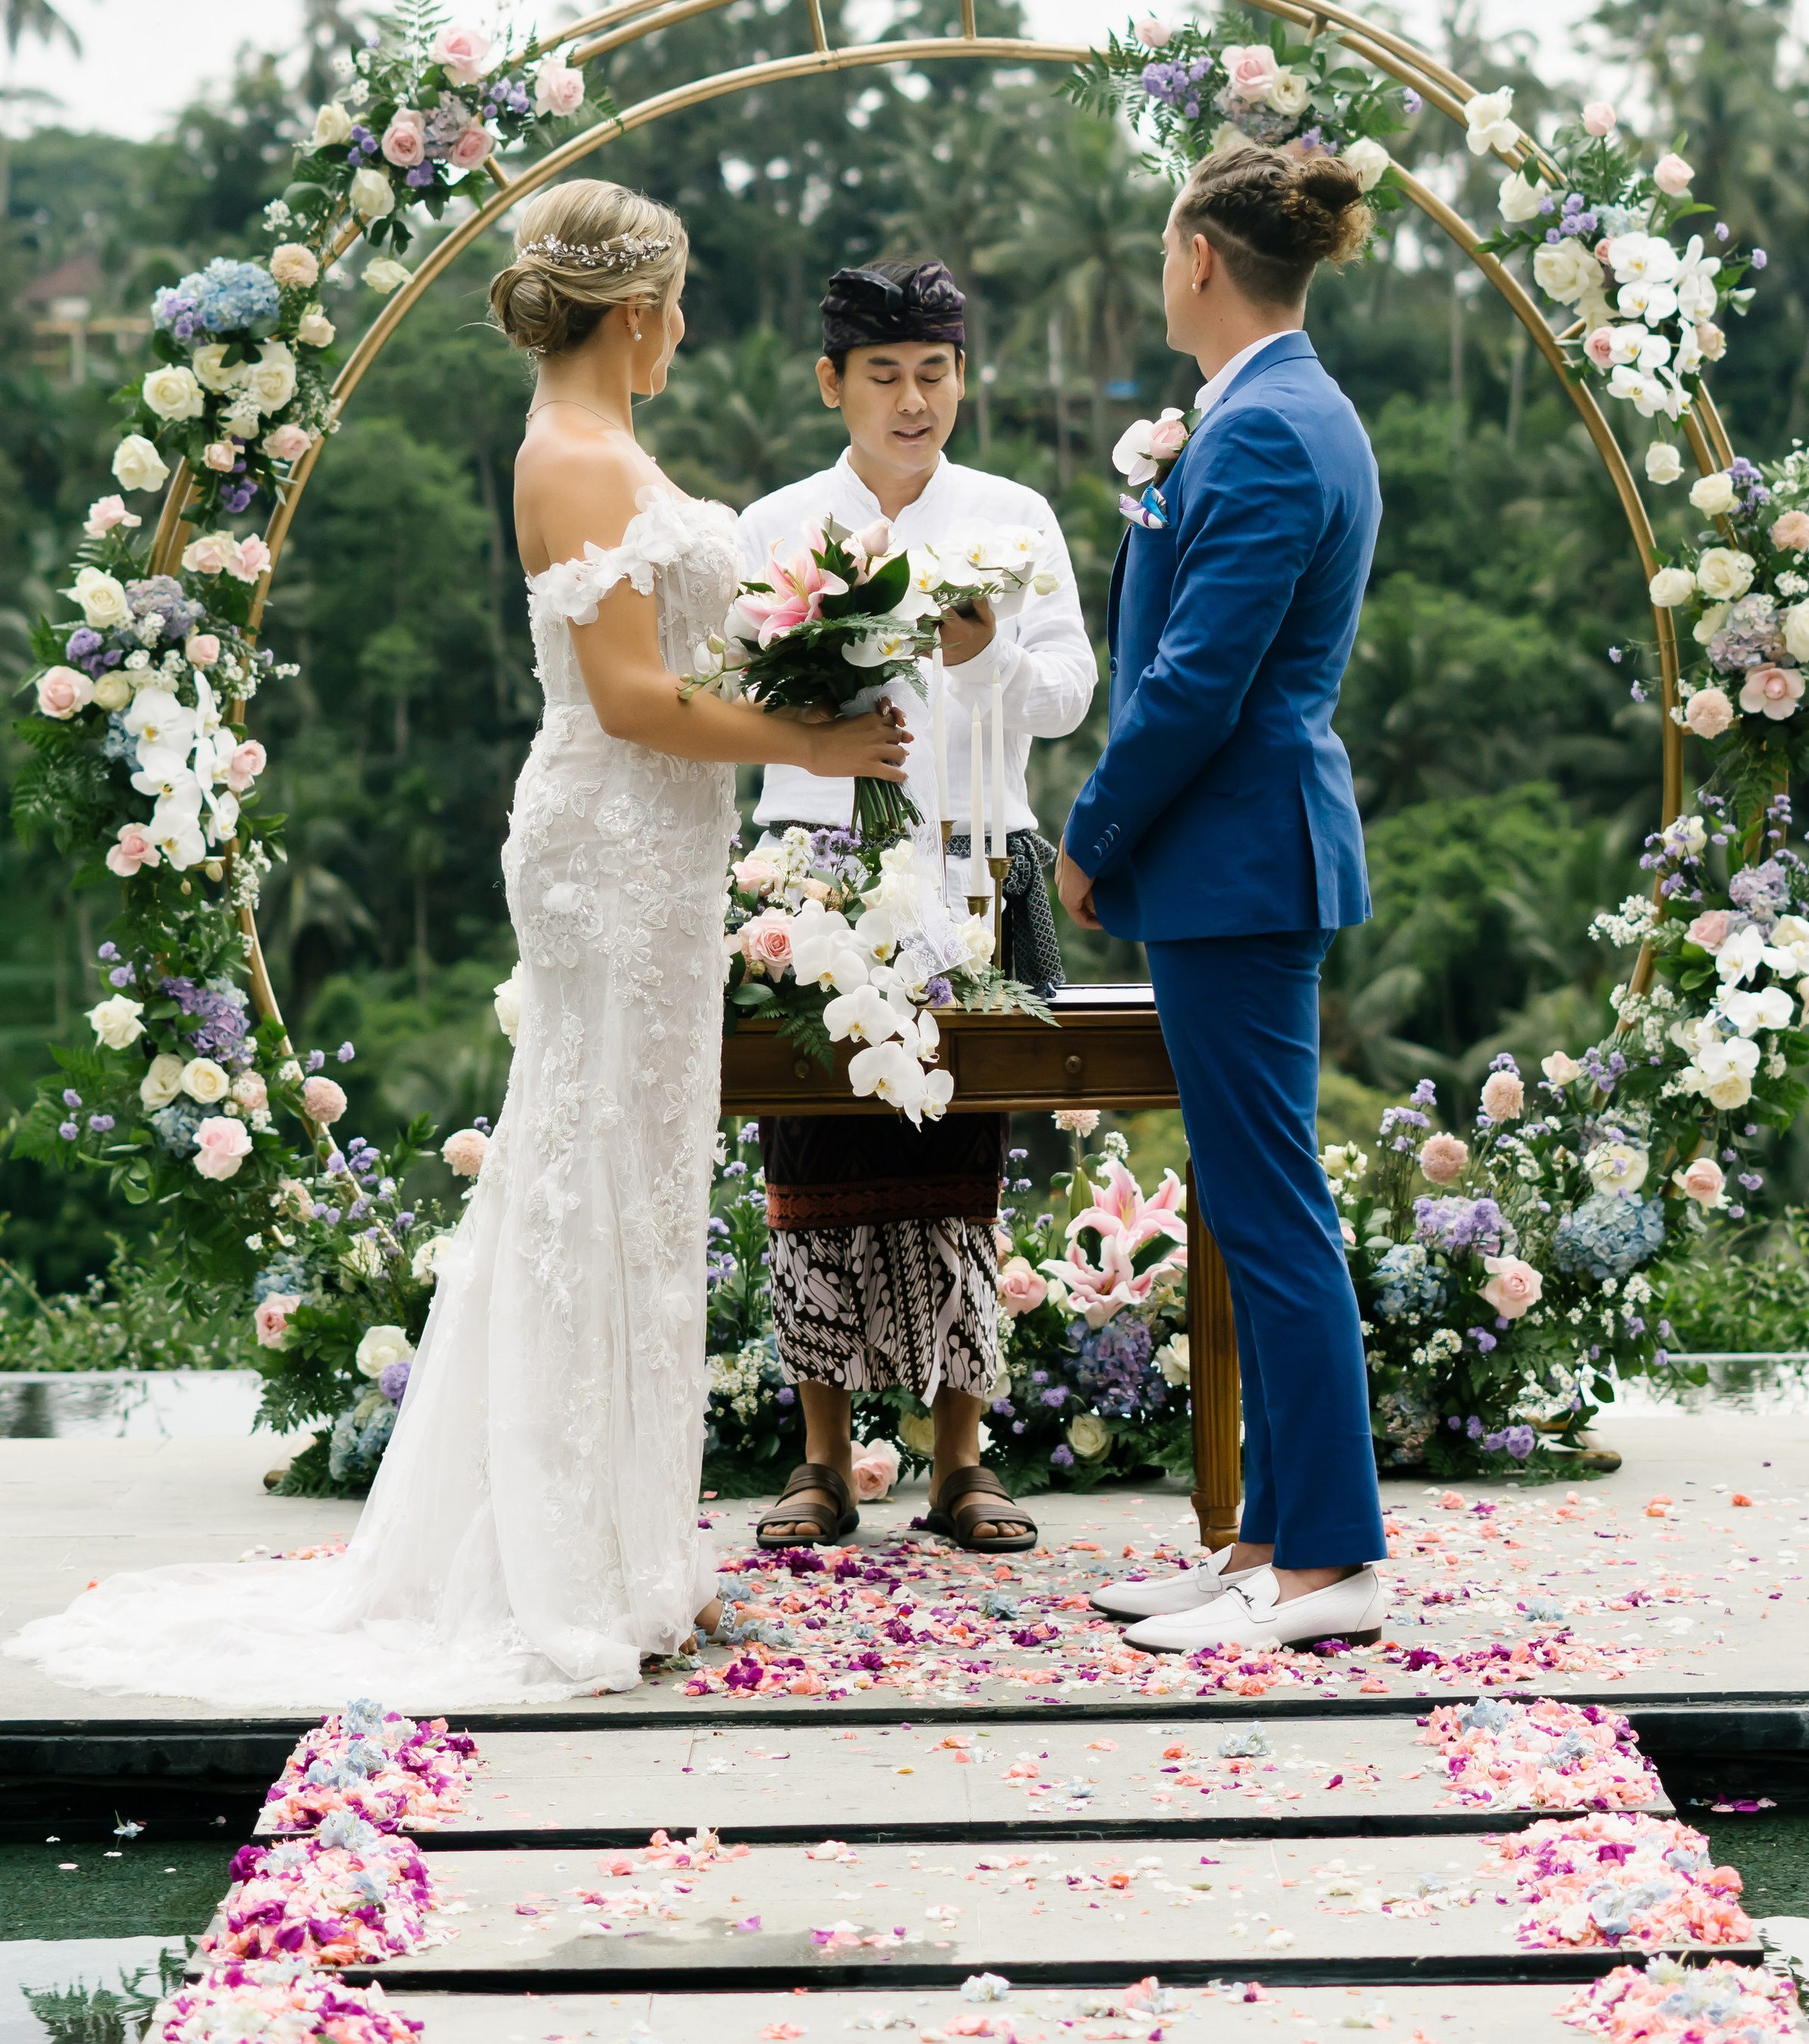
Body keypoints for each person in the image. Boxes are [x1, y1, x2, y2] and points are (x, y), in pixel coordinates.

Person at [5, 181, 908, 1707]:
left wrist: (842, 639)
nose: (681, 330)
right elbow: (627, 696)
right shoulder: (567, 454)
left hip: (661, 848)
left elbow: (690, 644)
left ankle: (620, 1540)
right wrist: (810, 747)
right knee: (587, 1179)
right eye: (675, 306)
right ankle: (560, 1565)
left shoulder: (608, 443)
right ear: (632, 315)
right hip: (608, 848)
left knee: (637, 1177)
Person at [1058, 138, 1388, 1654]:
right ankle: (1263, 1541)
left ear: (1197, 254)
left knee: (1270, 1216)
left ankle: (1329, 1567)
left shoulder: (1262, 428)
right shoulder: (1279, 409)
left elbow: (1197, 682)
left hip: (1237, 861)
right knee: (1255, 1208)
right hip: (1241, 860)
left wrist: (1091, 832)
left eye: (1157, 245)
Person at [738, 256, 1095, 1558]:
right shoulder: (772, 524)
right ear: (833, 382)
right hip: (811, 875)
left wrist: (983, 648)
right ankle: (823, 1461)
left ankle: (962, 1462)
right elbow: (727, 697)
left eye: (934, 374)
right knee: (807, 1156)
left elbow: (1069, 696)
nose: (912, 401)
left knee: (965, 1169)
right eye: (883, 376)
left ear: (963, 378)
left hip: (980, 874)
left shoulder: (1014, 516)